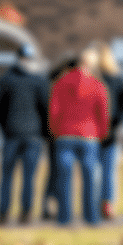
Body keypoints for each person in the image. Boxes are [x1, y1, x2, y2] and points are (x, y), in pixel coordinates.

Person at [0, 43, 50, 225]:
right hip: (33, 135)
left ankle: (3, 213)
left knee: (7, 176)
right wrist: (45, 132)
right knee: (28, 177)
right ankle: (25, 213)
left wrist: (4, 125)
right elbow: (46, 109)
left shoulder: (7, 79)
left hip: (12, 134)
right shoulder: (39, 80)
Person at [49, 46, 110, 226]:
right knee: (90, 178)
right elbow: (103, 114)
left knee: (64, 178)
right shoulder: (98, 85)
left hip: (65, 134)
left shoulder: (61, 83)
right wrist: (101, 133)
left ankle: (64, 218)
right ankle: (91, 217)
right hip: (89, 135)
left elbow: (54, 111)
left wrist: (56, 131)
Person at [95, 41, 123, 221]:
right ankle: (108, 204)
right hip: (113, 132)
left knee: (96, 171)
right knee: (109, 171)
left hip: (94, 132)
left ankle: (97, 204)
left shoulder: (93, 80)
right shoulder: (119, 80)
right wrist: (118, 120)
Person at [42, 57, 78, 221]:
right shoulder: (59, 85)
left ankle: (52, 204)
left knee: (56, 171)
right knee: (59, 172)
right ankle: (56, 205)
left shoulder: (52, 83)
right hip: (60, 132)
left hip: (56, 133)